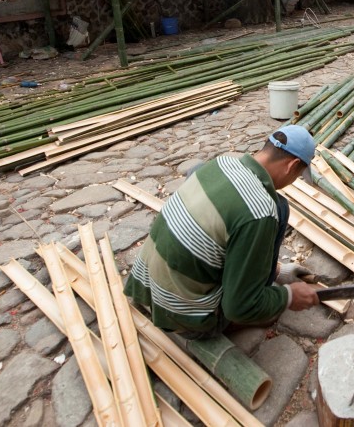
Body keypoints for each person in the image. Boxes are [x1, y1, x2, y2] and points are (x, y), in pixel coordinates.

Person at [124, 126, 321, 337]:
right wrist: (288, 297)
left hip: (148, 286)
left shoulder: (221, 163)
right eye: (298, 175)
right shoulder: (260, 212)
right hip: (183, 315)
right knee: (276, 211)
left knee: (279, 205)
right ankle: (255, 293)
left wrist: (276, 271)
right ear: (291, 166)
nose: (294, 180)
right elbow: (239, 307)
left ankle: (264, 274)